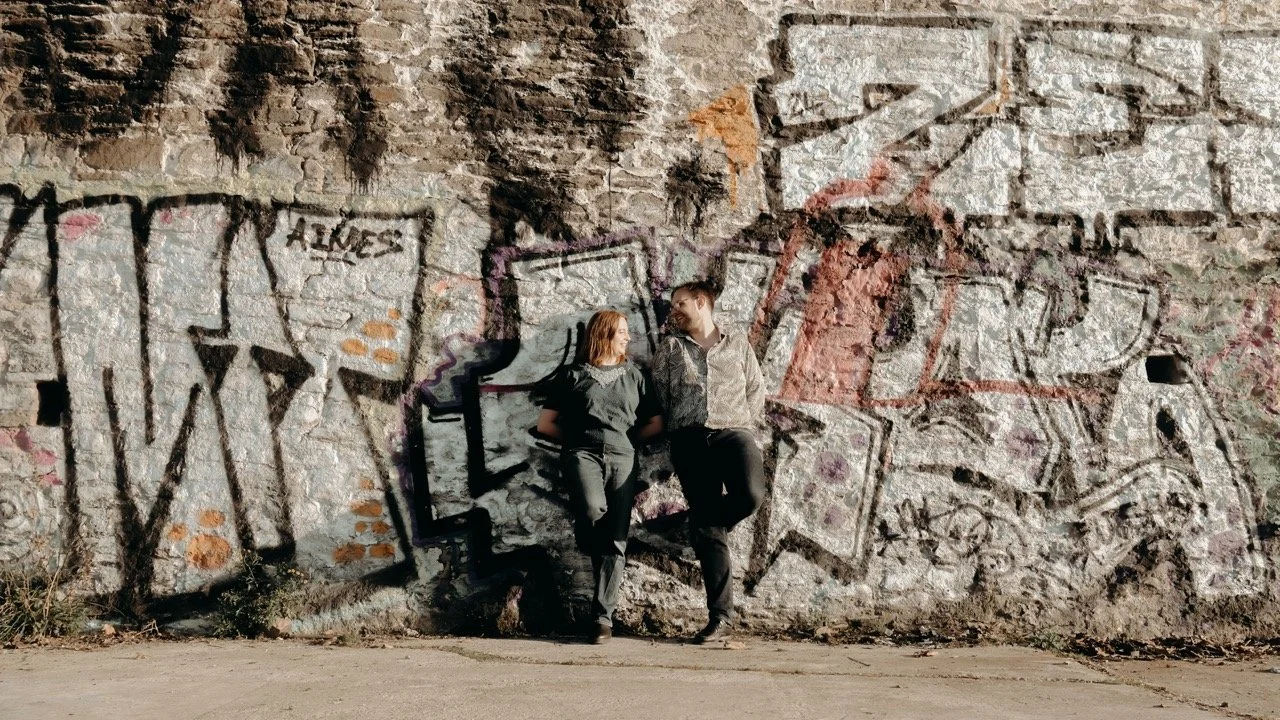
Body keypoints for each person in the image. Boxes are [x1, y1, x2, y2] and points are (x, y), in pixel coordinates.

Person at [537, 310, 663, 643]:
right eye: (621, 331)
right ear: (604, 334)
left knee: (616, 539)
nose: (628, 337)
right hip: (583, 455)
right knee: (593, 511)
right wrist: (576, 443)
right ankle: (593, 543)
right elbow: (545, 424)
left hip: (624, 459)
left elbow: (654, 422)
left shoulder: (635, 376)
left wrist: (628, 442)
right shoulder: (572, 375)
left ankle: (602, 619)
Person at [651, 280, 766, 644]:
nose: (675, 310)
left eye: (680, 303)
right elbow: (660, 395)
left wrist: (742, 421)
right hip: (689, 440)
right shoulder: (670, 347)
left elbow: (755, 388)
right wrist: (677, 430)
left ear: (701, 302)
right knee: (709, 525)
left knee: (750, 496)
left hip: (734, 432)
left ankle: (704, 526)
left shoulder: (737, 342)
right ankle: (721, 616)